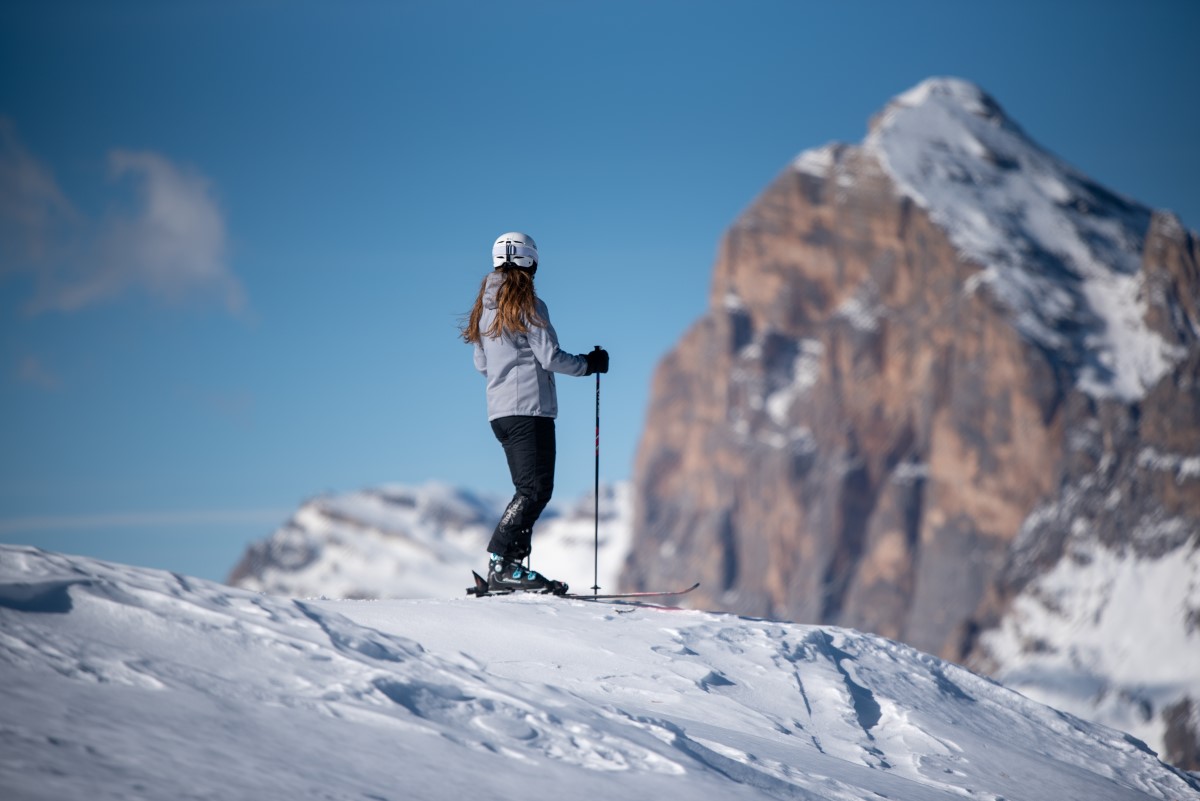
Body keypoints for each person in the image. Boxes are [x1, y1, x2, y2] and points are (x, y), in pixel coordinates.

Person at [461, 232, 609, 593]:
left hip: (500, 414)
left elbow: (481, 363)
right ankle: (502, 564)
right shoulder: (528, 304)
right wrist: (589, 364)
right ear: (531, 261)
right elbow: (550, 358)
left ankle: (512, 569)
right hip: (530, 411)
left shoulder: (484, 307)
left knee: (528, 488)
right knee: (534, 490)